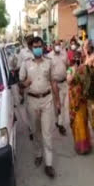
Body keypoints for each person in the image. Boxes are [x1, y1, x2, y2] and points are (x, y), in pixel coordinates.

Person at [19, 36, 61, 178]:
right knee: (36, 131)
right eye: (35, 46)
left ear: (43, 47)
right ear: (31, 48)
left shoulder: (49, 63)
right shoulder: (26, 63)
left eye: (40, 46)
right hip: (32, 101)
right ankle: (38, 154)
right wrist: (25, 84)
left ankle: (48, 164)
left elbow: (54, 83)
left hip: (47, 100)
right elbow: (20, 83)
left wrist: (58, 102)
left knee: (47, 133)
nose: (38, 48)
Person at [67, 50, 92, 154]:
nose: (77, 59)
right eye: (75, 57)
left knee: (83, 121)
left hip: (82, 99)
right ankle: (79, 145)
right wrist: (76, 72)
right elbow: (69, 80)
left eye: (79, 57)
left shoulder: (85, 69)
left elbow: (88, 82)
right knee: (76, 122)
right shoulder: (70, 69)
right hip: (74, 100)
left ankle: (85, 145)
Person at [48, 40, 69, 136]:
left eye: (58, 45)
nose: (57, 46)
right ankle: (57, 121)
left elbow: (68, 65)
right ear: (52, 46)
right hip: (54, 83)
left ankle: (60, 124)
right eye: (55, 44)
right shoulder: (49, 56)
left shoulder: (64, 54)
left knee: (62, 104)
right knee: (56, 104)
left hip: (64, 83)